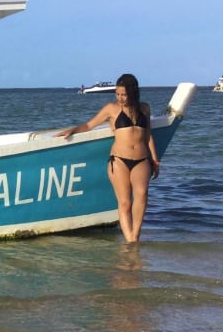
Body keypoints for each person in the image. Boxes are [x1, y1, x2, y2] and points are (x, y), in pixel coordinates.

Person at [55, 73, 160, 242]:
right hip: (119, 160)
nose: (120, 98)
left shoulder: (144, 108)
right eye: (117, 94)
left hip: (141, 160)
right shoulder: (112, 108)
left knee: (142, 195)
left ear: (133, 92)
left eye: (124, 94)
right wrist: (73, 130)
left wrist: (155, 160)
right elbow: (90, 124)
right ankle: (131, 241)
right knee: (125, 202)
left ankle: (135, 236)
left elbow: (148, 135)